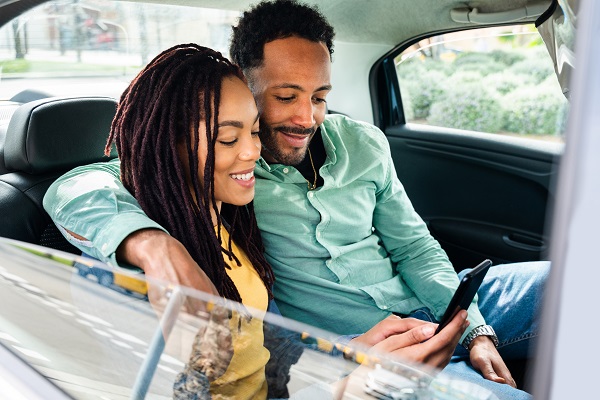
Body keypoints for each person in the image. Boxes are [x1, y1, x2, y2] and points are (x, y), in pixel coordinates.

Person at [43, 1, 547, 399]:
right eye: (285, 97)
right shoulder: (217, 177)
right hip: (351, 347)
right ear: (246, 83)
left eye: (320, 96)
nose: (306, 117)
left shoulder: (361, 145)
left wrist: (472, 327)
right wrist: (154, 246)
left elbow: (415, 248)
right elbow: (81, 185)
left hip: (431, 302)